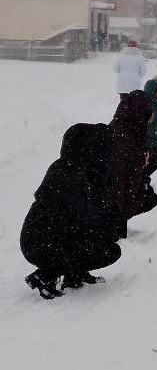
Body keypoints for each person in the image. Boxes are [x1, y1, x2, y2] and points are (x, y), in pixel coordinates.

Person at [20, 124, 120, 299]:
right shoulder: (72, 173)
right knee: (107, 249)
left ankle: (74, 274)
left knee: (96, 239)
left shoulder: (71, 166)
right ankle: (45, 276)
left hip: (48, 237)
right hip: (40, 242)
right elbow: (87, 216)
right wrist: (109, 222)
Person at [105, 91, 156, 239]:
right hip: (113, 203)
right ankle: (115, 233)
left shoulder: (129, 128)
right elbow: (116, 181)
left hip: (120, 196)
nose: (151, 113)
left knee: (149, 196)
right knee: (147, 198)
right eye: (148, 109)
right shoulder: (122, 138)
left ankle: (119, 228)